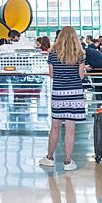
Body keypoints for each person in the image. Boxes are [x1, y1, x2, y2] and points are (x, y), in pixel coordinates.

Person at [38, 26, 87, 171]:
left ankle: (50, 158)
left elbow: (51, 74)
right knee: (70, 129)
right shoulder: (80, 54)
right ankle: (68, 161)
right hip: (75, 93)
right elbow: (81, 76)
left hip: (59, 93)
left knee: (55, 127)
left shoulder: (52, 54)